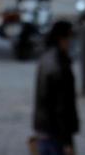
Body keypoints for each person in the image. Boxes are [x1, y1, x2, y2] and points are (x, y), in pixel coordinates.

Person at [33, 21, 79, 155]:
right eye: (70, 37)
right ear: (62, 38)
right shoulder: (59, 66)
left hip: (44, 130)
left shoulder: (46, 59)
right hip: (55, 134)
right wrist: (67, 141)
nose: (71, 42)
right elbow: (62, 107)